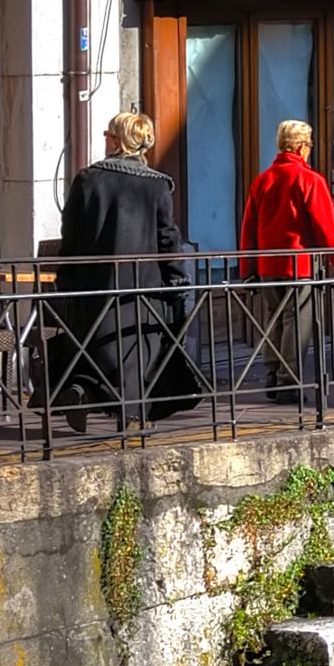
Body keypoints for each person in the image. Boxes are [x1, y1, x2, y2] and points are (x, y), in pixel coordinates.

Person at [57, 111, 199, 431]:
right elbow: (167, 240)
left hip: (93, 285)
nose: (105, 139)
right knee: (137, 350)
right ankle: (132, 416)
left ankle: (81, 391)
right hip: (141, 286)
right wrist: (177, 280)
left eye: (108, 134)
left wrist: (65, 279)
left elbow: (71, 235)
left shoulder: (87, 180)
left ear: (118, 140)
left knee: (91, 344)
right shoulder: (157, 185)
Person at [239, 119, 334, 402]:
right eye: (309, 145)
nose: (309, 150)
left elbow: (248, 228)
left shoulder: (262, 180)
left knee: (275, 320)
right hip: (299, 265)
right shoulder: (310, 180)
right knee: (297, 323)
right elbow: (326, 226)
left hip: (267, 265)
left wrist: (247, 268)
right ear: (300, 147)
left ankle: (273, 376)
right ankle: (289, 383)